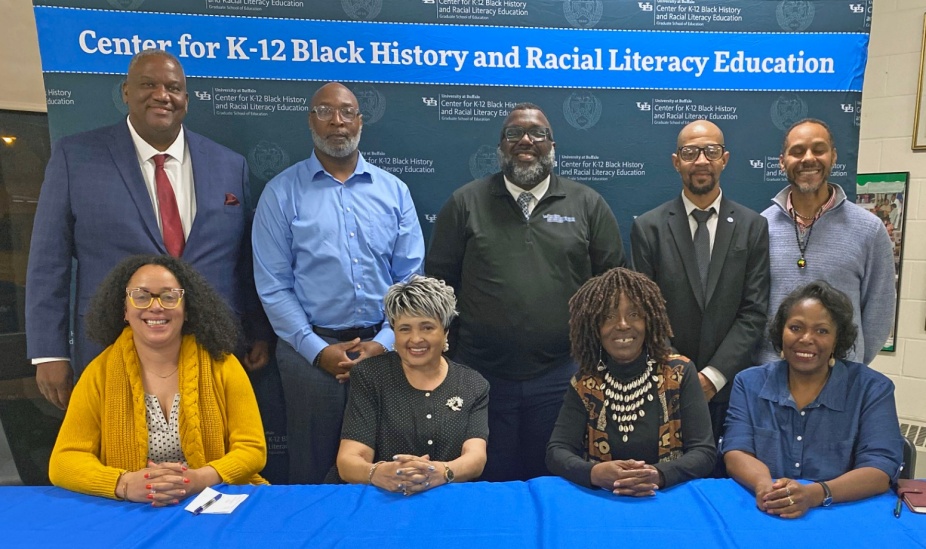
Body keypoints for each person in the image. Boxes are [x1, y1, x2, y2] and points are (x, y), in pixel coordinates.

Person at [26, 49, 270, 412]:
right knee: (120, 459)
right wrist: (48, 352)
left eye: (173, 87)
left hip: (212, 347)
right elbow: (49, 262)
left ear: (186, 99)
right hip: (111, 344)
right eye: (148, 84)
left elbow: (242, 262)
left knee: (211, 459)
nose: (162, 95)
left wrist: (258, 332)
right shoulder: (74, 157)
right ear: (126, 91)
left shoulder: (229, 164)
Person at [426, 103, 625, 481]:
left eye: (537, 133)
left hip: (562, 375)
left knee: (555, 482)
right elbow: (439, 287)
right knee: (487, 485)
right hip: (480, 376)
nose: (526, 141)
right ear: (501, 145)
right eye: (514, 133)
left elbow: (613, 286)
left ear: (552, 144)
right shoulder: (465, 203)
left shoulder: (587, 204)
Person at [252, 82, 425, 484]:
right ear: (311, 120)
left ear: (360, 121)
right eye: (325, 111)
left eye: (347, 112)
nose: (337, 122)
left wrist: (383, 342)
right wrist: (317, 350)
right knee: (312, 470)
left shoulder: (394, 191)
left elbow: (410, 280)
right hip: (308, 357)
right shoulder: (281, 193)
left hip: (388, 353)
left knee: (390, 468)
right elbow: (274, 285)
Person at [49, 255, 267, 504]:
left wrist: (198, 479)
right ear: (125, 310)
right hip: (131, 507)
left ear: (187, 309)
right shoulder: (98, 374)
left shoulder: (224, 365)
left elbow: (252, 449)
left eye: (169, 296)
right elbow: (64, 460)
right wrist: (123, 484)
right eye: (141, 296)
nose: (155, 306)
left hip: (214, 499)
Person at [631, 119, 769, 443]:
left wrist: (713, 376)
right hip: (666, 387)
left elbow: (754, 312)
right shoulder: (648, 228)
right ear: (676, 162)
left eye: (711, 151)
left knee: (730, 483)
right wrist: (684, 375)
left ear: (725, 158)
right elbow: (644, 314)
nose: (702, 160)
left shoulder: (753, 226)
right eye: (691, 152)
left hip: (732, 389)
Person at [723, 281, 903, 518]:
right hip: (765, 509)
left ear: (837, 341)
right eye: (796, 328)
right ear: (781, 333)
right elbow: (736, 451)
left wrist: (814, 494)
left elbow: (880, 467)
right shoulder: (748, 383)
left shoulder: (872, 389)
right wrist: (765, 487)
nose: (806, 338)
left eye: (822, 331)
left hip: (843, 514)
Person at [546, 268, 715, 494]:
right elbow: (557, 451)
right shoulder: (585, 383)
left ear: (649, 322)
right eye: (609, 316)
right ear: (594, 327)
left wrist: (657, 476)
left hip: (668, 499)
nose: (623, 324)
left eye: (634, 314)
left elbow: (704, 452)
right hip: (604, 501)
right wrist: (594, 473)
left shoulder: (679, 373)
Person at [757, 118, 894, 365]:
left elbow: (879, 312)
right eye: (797, 151)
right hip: (769, 378)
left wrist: (851, 363)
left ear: (833, 157)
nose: (808, 158)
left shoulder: (869, 230)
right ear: (781, 162)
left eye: (818, 150)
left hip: (840, 379)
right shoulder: (760, 227)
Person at [335, 276, 488, 493]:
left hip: (446, 498)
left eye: (427, 328)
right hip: (380, 497)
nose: (415, 339)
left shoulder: (473, 383)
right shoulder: (370, 375)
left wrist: (441, 472)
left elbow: (476, 458)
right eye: (405, 329)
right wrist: (379, 473)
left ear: (445, 331)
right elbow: (348, 461)